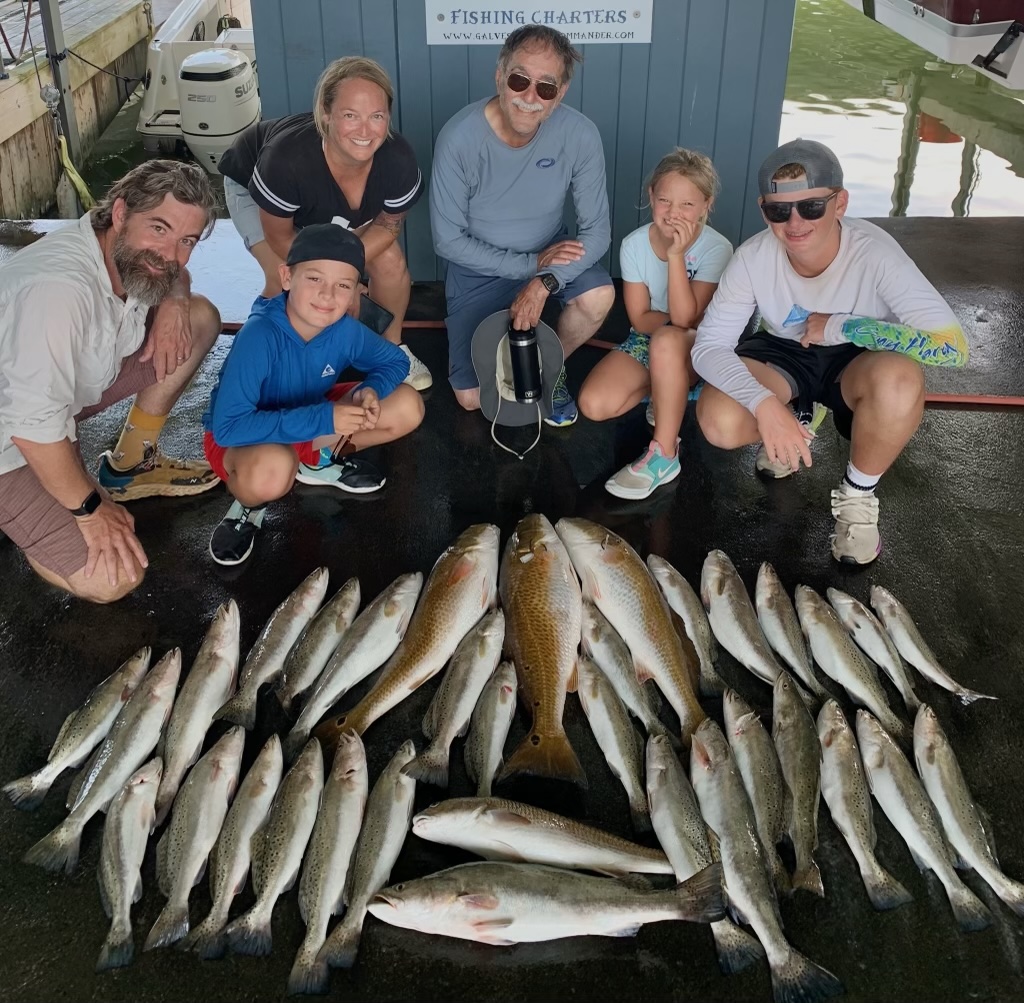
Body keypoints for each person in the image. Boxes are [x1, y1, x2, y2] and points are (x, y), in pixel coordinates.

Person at [691, 138, 968, 565]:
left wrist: (842, 325)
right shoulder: (752, 257)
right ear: (764, 208)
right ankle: (799, 411)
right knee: (719, 420)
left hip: (857, 356)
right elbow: (709, 346)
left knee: (901, 380)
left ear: (840, 203)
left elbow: (954, 349)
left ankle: (858, 495)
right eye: (779, 211)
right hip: (784, 351)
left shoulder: (876, 255)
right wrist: (764, 405)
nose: (795, 222)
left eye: (811, 207)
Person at [0, 160, 222, 603]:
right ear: (119, 213)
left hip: (59, 399)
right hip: (12, 442)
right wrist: (89, 510)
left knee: (199, 317)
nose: (171, 254)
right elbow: (34, 428)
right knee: (114, 577)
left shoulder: (127, 255)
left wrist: (177, 301)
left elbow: (176, 272)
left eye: (186, 241)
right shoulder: (57, 292)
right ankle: (29, 520)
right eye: (158, 228)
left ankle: (132, 462)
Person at [202, 224, 425, 566]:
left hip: (309, 415)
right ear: (286, 277)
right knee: (273, 469)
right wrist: (327, 418)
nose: (327, 295)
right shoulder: (260, 335)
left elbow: (394, 362)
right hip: (244, 439)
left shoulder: (344, 330)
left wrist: (369, 391)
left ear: (355, 294)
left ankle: (315, 460)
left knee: (408, 404)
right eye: (315, 279)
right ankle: (247, 506)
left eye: (343, 285)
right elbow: (230, 426)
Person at [430, 24, 615, 425]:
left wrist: (545, 279)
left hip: (549, 254)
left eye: (546, 87)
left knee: (598, 296)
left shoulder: (580, 134)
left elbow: (597, 232)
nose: (530, 97)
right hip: (478, 267)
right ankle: (516, 360)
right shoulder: (459, 139)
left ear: (560, 93)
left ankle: (549, 368)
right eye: (519, 80)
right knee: (471, 399)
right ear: (500, 76)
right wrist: (529, 266)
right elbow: (447, 241)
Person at [218, 56, 432, 391]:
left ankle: (388, 350)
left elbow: (389, 227)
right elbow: (280, 237)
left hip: (323, 206)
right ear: (326, 113)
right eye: (350, 115)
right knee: (286, 280)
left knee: (390, 261)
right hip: (254, 189)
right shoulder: (285, 160)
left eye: (376, 116)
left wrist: (345, 275)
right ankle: (267, 367)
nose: (365, 130)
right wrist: (338, 278)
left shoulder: (397, 158)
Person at [578, 148, 732, 500]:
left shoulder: (717, 249)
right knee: (594, 403)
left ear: (706, 204)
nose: (674, 213)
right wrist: (669, 326)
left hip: (700, 346)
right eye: (664, 200)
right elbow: (639, 319)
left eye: (687, 205)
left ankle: (664, 454)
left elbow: (686, 320)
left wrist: (676, 256)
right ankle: (667, 390)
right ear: (650, 196)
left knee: (668, 339)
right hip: (649, 341)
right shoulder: (634, 245)